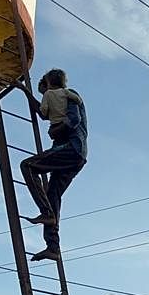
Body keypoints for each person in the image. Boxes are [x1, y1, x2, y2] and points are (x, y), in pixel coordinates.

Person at [17, 69, 87, 262]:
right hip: (75, 155)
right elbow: (42, 113)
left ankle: (47, 213)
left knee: (28, 166)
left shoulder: (70, 96)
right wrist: (24, 90)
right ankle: (53, 247)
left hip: (72, 149)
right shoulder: (59, 101)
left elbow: (73, 119)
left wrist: (57, 129)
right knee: (52, 195)